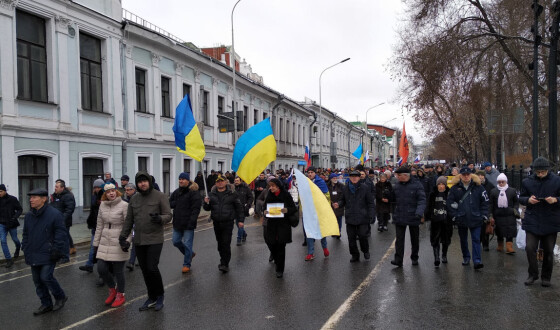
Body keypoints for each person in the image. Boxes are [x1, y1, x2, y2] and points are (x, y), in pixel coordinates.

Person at [119, 171, 171, 311]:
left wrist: (160, 219)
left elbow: (168, 215)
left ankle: (160, 296)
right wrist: (123, 237)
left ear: (149, 181)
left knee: (152, 267)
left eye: (145, 181)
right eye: (140, 181)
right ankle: (151, 297)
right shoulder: (134, 199)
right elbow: (129, 220)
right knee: (145, 270)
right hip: (139, 240)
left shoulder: (160, 196)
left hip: (155, 238)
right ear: (137, 184)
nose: (142, 183)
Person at [22, 188, 68, 315]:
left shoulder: (54, 214)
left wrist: (57, 249)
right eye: (30, 197)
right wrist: (24, 247)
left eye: (34, 197)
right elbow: (25, 233)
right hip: (33, 252)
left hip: (49, 252)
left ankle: (60, 297)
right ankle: (46, 303)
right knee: (37, 281)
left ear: (44, 199)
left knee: (46, 277)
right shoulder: (29, 216)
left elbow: (61, 233)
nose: (31, 200)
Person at [519, 157, 560, 287]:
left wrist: (555, 200)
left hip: (550, 220)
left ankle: (546, 277)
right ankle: (533, 274)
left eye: (543, 172)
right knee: (530, 248)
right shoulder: (527, 181)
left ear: (547, 170)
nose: (540, 174)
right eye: (538, 172)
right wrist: (528, 200)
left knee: (548, 250)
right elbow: (521, 197)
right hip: (533, 219)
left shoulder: (557, 181)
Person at [93, 184, 130, 308]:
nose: (111, 193)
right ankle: (112, 289)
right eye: (108, 192)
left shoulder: (124, 205)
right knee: (101, 268)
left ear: (117, 192)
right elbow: (99, 225)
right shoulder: (102, 205)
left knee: (118, 271)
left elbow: (128, 225)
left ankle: (120, 294)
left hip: (119, 239)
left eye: (113, 191)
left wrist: (127, 241)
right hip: (105, 239)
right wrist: (95, 244)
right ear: (105, 194)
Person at [447, 167, 489, 269]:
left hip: (476, 217)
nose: (466, 176)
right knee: (463, 240)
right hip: (461, 218)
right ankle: (466, 257)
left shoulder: (479, 187)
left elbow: (485, 202)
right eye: (464, 175)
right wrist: (454, 215)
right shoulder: (455, 189)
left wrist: (484, 215)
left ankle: (477, 260)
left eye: (468, 174)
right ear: (460, 176)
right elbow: (450, 203)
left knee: (476, 239)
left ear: (471, 175)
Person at [203, 175, 243, 273]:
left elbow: (239, 208)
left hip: (228, 222)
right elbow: (207, 209)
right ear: (215, 183)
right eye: (218, 181)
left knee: (226, 243)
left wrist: (241, 220)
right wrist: (205, 203)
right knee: (220, 244)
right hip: (216, 222)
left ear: (226, 182)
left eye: (222, 181)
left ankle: (225, 263)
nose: (220, 183)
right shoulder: (211, 194)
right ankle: (222, 259)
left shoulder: (232, 194)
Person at [333, 170, 375, 262]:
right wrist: (338, 204)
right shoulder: (346, 188)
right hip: (350, 216)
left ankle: (365, 250)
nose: (354, 178)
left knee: (363, 236)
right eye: (352, 176)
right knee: (351, 238)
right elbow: (342, 200)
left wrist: (372, 214)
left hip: (362, 216)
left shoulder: (365, 187)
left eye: (356, 176)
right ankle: (355, 255)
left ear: (359, 178)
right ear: (350, 178)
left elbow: (370, 203)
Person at [390, 167, 426, 267]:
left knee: (414, 239)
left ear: (405, 175)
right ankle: (398, 260)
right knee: (399, 239)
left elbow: (422, 200)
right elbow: (393, 199)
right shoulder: (397, 185)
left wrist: (419, 212)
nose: (397, 177)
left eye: (399, 176)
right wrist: (388, 195)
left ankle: (414, 257)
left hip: (414, 215)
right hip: (400, 215)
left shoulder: (417, 185)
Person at [263, 178, 298, 278]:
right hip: (272, 224)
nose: (271, 188)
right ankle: (276, 258)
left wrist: (286, 210)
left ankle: (280, 269)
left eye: (273, 186)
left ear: (278, 186)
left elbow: (293, 208)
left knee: (281, 247)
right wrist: (265, 212)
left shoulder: (286, 195)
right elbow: (265, 207)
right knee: (272, 244)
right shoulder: (269, 194)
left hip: (283, 225)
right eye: (270, 186)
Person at [169, 172, 201, 273]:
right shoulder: (176, 192)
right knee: (175, 241)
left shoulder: (193, 192)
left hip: (188, 223)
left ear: (188, 180)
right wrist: (176, 203)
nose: (181, 181)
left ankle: (186, 264)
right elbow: (170, 203)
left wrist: (192, 221)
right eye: (179, 179)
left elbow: (196, 209)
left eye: (183, 179)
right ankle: (190, 253)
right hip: (177, 222)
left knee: (187, 244)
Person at [424, 176, 453, 267]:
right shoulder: (433, 194)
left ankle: (444, 255)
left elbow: (452, 205)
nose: (441, 186)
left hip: (446, 220)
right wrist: (428, 217)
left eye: (442, 184)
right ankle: (436, 257)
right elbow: (428, 206)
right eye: (439, 184)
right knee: (435, 239)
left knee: (446, 239)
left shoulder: (449, 193)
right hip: (435, 220)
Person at [79, 179, 105, 273]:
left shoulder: (104, 196)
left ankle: (105, 269)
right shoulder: (94, 196)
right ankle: (89, 264)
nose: (96, 189)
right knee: (93, 246)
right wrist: (90, 221)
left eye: (98, 187)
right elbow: (92, 211)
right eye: (95, 187)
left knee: (100, 248)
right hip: (95, 225)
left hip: (102, 226)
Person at [489, 173, 519, 254]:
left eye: (503, 182)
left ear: (506, 182)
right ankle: (500, 245)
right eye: (499, 182)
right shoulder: (493, 191)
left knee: (510, 230)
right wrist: (491, 214)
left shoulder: (512, 191)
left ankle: (509, 247)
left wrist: (515, 210)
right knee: (499, 230)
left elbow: (516, 201)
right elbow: (491, 204)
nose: (501, 184)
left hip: (510, 214)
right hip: (498, 214)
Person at [304, 167, 330, 260]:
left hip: (319, 210)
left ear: (315, 173)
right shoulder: (305, 182)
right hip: (309, 211)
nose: (310, 174)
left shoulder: (320, 182)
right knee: (309, 232)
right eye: (308, 172)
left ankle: (325, 248)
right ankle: (310, 253)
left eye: (311, 172)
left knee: (322, 231)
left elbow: (326, 195)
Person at [50, 179, 76, 256]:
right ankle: (70, 248)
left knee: (64, 237)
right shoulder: (55, 196)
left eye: (57, 187)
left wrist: (61, 219)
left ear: (62, 188)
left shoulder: (68, 196)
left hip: (64, 221)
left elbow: (69, 210)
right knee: (65, 235)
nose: (55, 188)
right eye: (55, 186)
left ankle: (65, 255)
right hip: (55, 220)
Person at [0, 184, 23, 268]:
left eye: (1, 191)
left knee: (15, 239)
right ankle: (9, 260)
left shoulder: (12, 199)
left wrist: (15, 217)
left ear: (5, 191)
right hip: (2, 224)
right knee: (2, 240)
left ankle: (18, 247)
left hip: (12, 223)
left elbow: (20, 209)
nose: (0, 193)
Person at [476, 170, 495, 251]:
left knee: (485, 227)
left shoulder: (490, 185)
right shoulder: (474, 185)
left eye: (482, 176)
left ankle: (485, 244)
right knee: (477, 227)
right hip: (476, 209)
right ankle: (478, 242)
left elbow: (492, 198)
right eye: (479, 176)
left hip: (486, 208)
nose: (480, 177)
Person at [234, 176, 253, 245]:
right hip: (235, 209)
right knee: (237, 223)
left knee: (240, 224)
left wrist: (248, 205)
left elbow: (250, 197)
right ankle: (244, 234)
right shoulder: (233, 189)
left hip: (243, 209)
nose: (236, 182)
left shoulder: (245, 188)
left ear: (240, 181)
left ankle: (239, 239)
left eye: (237, 181)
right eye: (235, 181)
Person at [122, 183, 137, 271]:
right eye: (125, 190)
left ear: (133, 190)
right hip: (127, 224)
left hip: (136, 224)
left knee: (134, 241)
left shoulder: (137, 199)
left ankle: (131, 262)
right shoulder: (124, 200)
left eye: (128, 190)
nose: (126, 192)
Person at [328, 173, 345, 238]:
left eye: (336, 178)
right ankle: (334, 231)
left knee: (339, 219)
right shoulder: (328, 185)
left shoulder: (341, 185)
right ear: (331, 179)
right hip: (331, 205)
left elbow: (342, 195)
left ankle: (338, 231)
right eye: (333, 178)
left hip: (339, 205)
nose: (335, 179)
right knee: (332, 219)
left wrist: (338, 203)